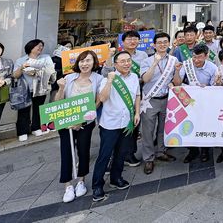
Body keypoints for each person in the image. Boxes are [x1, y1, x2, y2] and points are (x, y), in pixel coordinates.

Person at [54, 51, 104, 203]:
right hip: (66, 122)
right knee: (66, 152)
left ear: (94, 62)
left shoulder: (98, 79)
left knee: (83, 150)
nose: (85, 64)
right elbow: (57, 102)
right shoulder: (68, 78)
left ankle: (81, 180)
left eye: (88, 60)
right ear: (77, 63)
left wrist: (82, 121)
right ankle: (68, 185)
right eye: (82, 61)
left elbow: (98, 102)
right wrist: (61, 88)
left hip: (86, 122)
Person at [91, 51, 141, 202]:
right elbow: (102, 98)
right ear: (115, 64)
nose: (127, 64)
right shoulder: (107, 78)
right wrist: (110, 81)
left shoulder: (134, 77)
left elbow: (137, 95)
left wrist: (137, 113)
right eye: (123, 61)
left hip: (127, 122)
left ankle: (116, 178)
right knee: (105, 155)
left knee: (121, 153)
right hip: (110, 123)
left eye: (129, 61)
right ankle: (97, 185)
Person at [139, 33, 182, 175]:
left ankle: (161, 151)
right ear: (154, 45)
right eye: (159, 42)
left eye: (165, 42)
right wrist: (155, 63)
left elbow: (177, 82)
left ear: (169, 43)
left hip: (167, 99)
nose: (162, 44)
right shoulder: (147, 60)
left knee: (164, 128)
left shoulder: (173, 59)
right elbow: (145, 79)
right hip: (150, 100)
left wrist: (176, 71)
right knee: (147, 130)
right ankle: (148, 158)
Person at [180, 44, 219, 164]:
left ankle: (205, 150)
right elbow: (178, 82)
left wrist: (207, 87)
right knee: (189, 124)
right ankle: (192, 150)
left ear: (206, 56)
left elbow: (215, 87)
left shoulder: (212, 68)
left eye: (200, 57)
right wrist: (177, 71)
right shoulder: (187, 64)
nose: (196, 60)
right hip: (189, 101)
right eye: (194, 57)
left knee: (204, 125)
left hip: (205, 101)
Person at [13, 39, 56, 140]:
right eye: (38, 46)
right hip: (25, 89)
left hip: (40, 88)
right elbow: (15, 75)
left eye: (42, 46)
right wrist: (22, 68)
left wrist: (39, 71)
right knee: (23, 110)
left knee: (38, 108)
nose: (40, 48)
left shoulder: (46, 57)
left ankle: (36, 127)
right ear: (31, 47)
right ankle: (22, 131)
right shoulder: (21, 60)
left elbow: (51, 71)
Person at [118, 30, 149, 167]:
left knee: (135, 123)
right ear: (123, 42)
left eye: (135, 39)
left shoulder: (143, 55)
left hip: (138, 92)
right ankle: (117, 154)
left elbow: (145, 74)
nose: (133, 41)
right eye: (129, 39)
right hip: (120, 94)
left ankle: (130, 153)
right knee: (119, 124)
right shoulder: (116, 55)